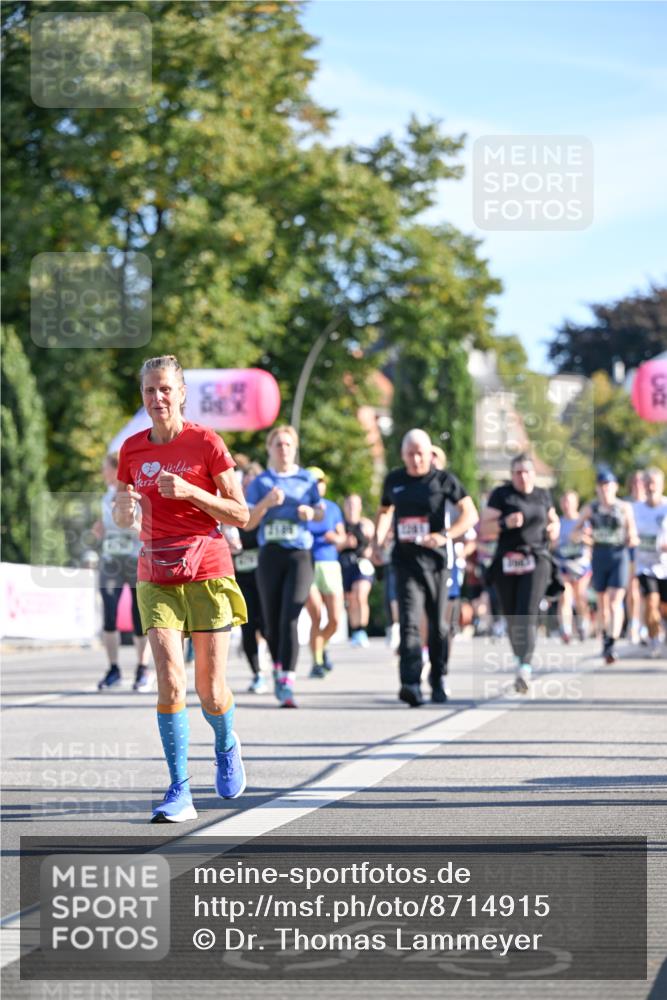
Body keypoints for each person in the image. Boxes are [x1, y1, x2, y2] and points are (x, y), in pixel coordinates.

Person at [114, 355, 249, 823]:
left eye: (166, 389)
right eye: (150, 391)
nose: (158, 398)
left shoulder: (206, 442)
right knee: (170, 678)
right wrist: (124, 509)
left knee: (210, 691)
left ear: (182, 393)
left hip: (208, 569)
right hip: (155, 570)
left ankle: (226, 743)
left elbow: (240, 514)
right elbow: (121, 515)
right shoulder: (132, 451)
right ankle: (179, 790)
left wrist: (192, 492)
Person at [373, 429, 478, 706]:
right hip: (405, 562)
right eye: (410, 454)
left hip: (437, 564)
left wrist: (445, 535)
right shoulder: (394, 480)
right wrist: (377, 540)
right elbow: (385, 511)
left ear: (430, 454)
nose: (416, 459)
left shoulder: (443, 480)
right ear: (403, 455)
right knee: (408, 623)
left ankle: (439, 677)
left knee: (438, 625)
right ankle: (410, 682)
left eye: (421, 453)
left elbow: (471, 514)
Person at [244, 426, 323, 707]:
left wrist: (310, 513)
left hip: (299, 554)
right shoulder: (261, 482)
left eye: (288, 444)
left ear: (295, 448)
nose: (283, 449)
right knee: (271, 618)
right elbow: (248, 522)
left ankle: (287, 677)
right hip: (270, 555)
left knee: (291, 612)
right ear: (270, 449)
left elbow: (321, 511)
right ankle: (277, 666)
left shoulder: (306, 479)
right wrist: (266, 502)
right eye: (278, 444)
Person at [480, 454, 560, 693]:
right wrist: (505, 523)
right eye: (517, 472)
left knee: (527, 610)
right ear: (512, 474)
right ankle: (519, 659)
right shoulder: (502, 495)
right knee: (512, 613)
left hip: (536, 559)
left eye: (526, 472)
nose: (522, 477)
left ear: (534, 474)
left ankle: (524, 666)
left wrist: (554, 528)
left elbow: (553, 520)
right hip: (507, 561)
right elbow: (484, 527)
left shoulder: (542, 495)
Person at [94, 453, 152, 692]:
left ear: (114, 470)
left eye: (104, 468)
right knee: (109, 614)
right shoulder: (106, 496)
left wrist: (130, 521)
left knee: (138, 616)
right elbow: (106, 526)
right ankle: (113, 668)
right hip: (110, 562)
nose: (101, 473)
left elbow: (142, 526)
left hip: (133, 561)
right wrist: (100, 528)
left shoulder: (134, 494)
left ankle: (142, 668)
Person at [570, 469, 639, 664]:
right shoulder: (591, 508)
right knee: (602, 603)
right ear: (597, 489)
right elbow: (574, 534)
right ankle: (605, 639)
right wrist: (584, 537)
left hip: (619, 555)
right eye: (602, 486)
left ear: (615, 487)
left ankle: (611, 643)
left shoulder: (624, 507)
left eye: (609, 486)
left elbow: (632, 532)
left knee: (615, 600)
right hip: (599, 555)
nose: (605, 490)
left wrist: (633, 538)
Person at [303, 467, 346, 678]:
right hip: (308, 564)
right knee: (316, 615)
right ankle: (317, 662)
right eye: (313, 481)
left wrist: (334, 538)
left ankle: (321, 644)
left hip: (330, 565)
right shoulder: (301, 508)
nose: (317, 485)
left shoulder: (333, 508)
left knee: (335, 619)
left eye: (320, 481)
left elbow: (343, 538)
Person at [231, 463, 269, 692]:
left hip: (264, 574)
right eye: (244, 484)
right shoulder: (233, 508)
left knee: (266, 626)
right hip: (241, 575)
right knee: (247, 626)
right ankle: (257, 674)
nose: (247, 488)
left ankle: (273, 665)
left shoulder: (267, 511)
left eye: (251, 485)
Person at [631, 467, 667, 657]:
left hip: (665, 565)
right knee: (651, 602)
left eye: (654, 483)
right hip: (645, 565)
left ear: (661, 485)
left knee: (664, 607)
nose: (651, 487)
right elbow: (628, 530)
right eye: (648, 483)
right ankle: (655, 641)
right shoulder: (635, 508)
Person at [554, 490, 592, 643]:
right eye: (564, 501)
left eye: (570, 501)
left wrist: (582, 538)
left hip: (581, 566)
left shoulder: (584, 522)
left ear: (576, 504)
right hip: (564, 565)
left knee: (580, 596)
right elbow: (552, 544)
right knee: (565, 596)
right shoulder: (559, 522)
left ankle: (583, 625)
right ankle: (566, 630)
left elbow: (594, 541)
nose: (567, 505)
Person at [339, 494, 376, 647]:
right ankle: (355, 630)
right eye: (349, 504)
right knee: (351, 599)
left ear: (360, 506)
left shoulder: (366, 524)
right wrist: (344, 543)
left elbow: (376, 543)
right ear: (344, 506)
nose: (352, 507)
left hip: (362, 566)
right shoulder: (339, 525)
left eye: (355, 504)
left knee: (360, 595)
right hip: (345, 564)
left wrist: (371, 549)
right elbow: (332, 544)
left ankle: (362, 629)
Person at [625, 470, 647, 644]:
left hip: (651, 554)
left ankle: (647, 624)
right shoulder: (626, 504)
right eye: (635, 482)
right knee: (632, 589)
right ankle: (634, 624)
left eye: (641, 482)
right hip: (630, 552)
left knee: (647, 592)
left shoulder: (653, 503)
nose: (638, 485)